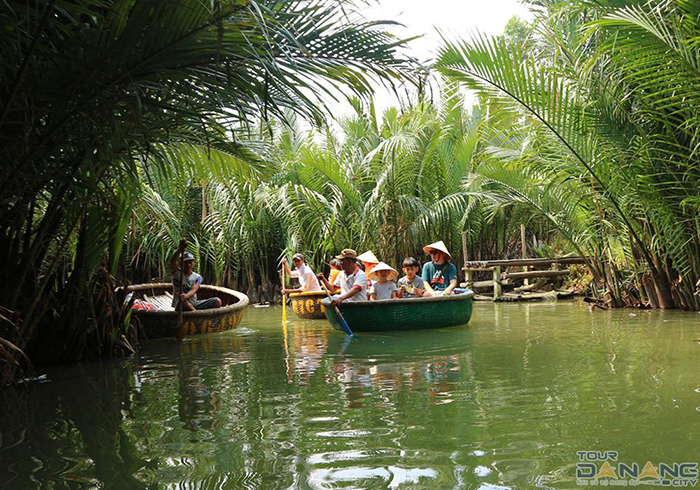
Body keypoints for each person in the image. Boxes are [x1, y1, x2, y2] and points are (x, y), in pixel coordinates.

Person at [169, 239, 222, 311]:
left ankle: (194, 311)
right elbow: (172, 261)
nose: (188, 264)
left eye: (190, 262)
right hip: (180, 305)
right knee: (183, 302)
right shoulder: (176, 273)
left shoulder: (198, 277)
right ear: (181, 263)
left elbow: (194, 289)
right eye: (186, 262)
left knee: (217, 301)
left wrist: (186, 296)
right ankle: (195, 313)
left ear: (193, 263)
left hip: (194, 304)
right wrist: (180, 249)